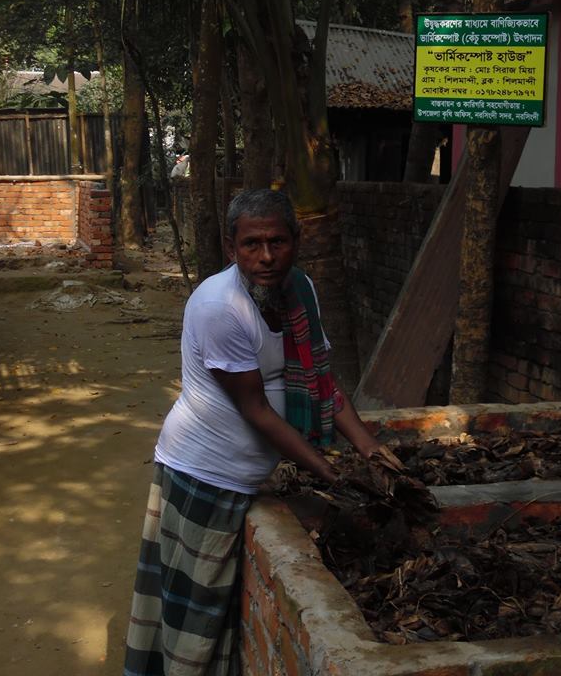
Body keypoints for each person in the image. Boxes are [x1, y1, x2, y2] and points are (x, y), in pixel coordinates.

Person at [123, 188, 382, 676]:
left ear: (296, 241)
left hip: (246, 478)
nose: (266, 257)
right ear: (231, 247)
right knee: (191, 622)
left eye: (278, 242)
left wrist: (369, 448)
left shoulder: (300, 291)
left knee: (221, 620)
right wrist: (327, 470)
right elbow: (256, 408)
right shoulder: (221, 307)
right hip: (204, 475)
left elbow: (322, 379)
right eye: (252, 244)